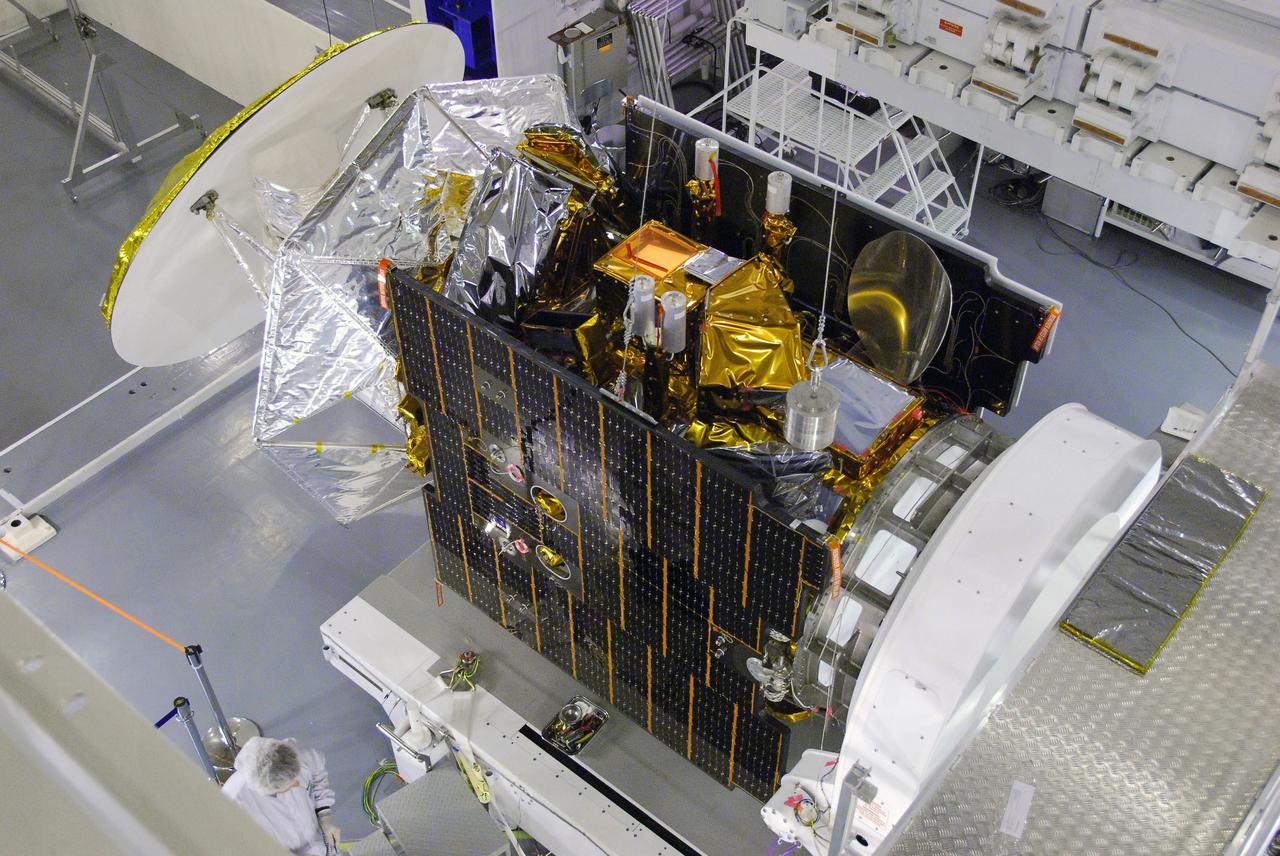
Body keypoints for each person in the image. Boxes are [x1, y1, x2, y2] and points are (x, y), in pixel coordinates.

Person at [223, 736, 341, 855]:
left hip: (317, 840)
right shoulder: (235, 799)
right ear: (265, 789)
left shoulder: (293, 756)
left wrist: (325, 818)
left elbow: (318, 778)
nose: (298, 784)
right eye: (287, 788)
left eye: (296, 777)